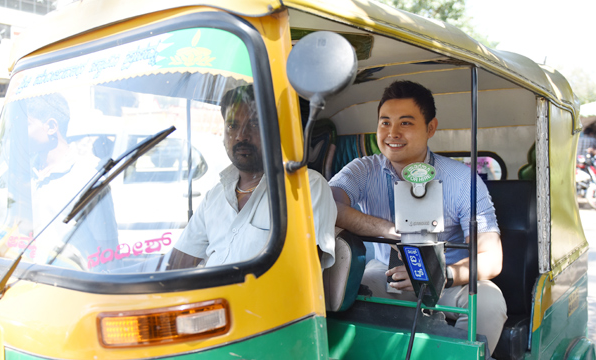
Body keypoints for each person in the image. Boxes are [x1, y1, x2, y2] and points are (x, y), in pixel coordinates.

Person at [328, 80, 506, 354]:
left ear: (430, 127)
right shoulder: (363, 170)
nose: (392, 133)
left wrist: (440, 274)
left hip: (448, 281)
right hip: (387, 277)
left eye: (406, 123)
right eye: (385, 123)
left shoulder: (461, 179)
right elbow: (329, 206)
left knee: (490, 303)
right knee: (351, 289)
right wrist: (387, 229)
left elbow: (492, 257)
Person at [170, 85, 336, 270]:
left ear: (277, 132)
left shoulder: (306, 187)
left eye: (255, 124)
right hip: (210, 297)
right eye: (232, 125)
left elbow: (303, 274)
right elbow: (176, 265)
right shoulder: (214, 196)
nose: (241, 136)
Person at [23, 94, 119, 270]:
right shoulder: (23, 173)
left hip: (75, 289)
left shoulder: (88, 179)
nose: (19, 133)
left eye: (27, 124)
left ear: (51, 127)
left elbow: (108, 253)